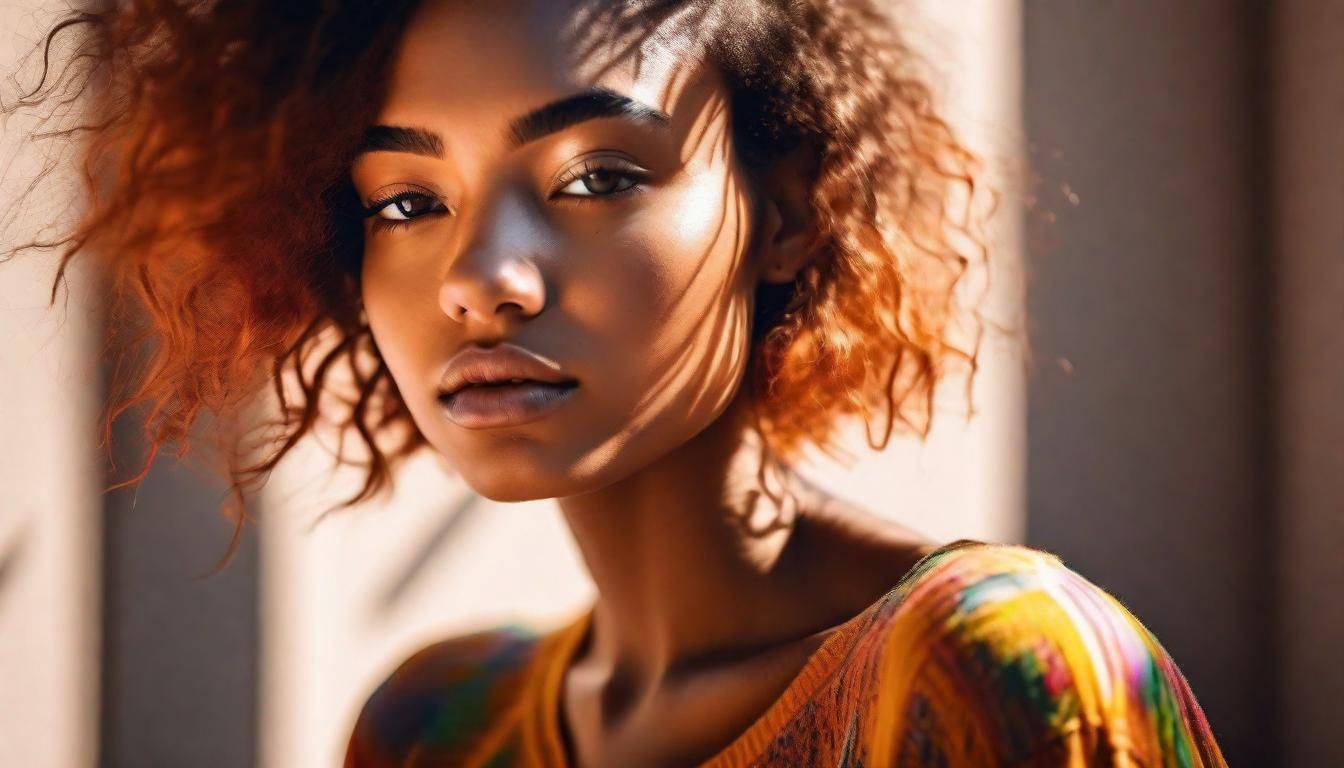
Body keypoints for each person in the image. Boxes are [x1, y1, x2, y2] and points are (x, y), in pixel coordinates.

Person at [9, 0, 1227, 765]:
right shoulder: (438, 727)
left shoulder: (991, 670)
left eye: (595, 176)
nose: (479, 282)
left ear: (788, 208)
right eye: (408, 201)